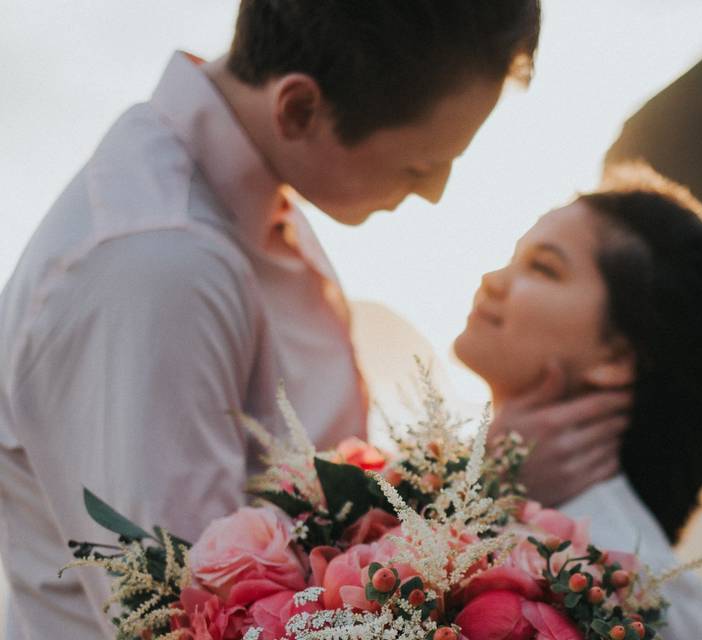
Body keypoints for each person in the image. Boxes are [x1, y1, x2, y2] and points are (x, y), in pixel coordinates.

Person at [0, 3, 627, 638]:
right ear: (298, 109)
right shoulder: (156, 269)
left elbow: (299, 509)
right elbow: (192, 617)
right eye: (420, 164)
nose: (436, 191)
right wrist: (485, 490)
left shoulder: (262, 198)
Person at [455, 164, 702, 639]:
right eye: (513, 256)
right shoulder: (468, 493)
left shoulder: (637, 582)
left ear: (616, 356)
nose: (492, 279)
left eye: (543, 267)